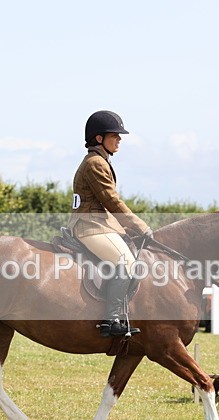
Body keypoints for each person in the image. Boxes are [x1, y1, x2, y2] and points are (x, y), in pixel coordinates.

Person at [68, 110, 153, 337]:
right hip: (89, 227)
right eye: (114, 135)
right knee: (125, 262)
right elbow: (111, 201)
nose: (119, 139)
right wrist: (140, 226)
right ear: (99, 138)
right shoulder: (96, 163)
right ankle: (111, 320)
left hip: (98, 224)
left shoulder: (99, 161)